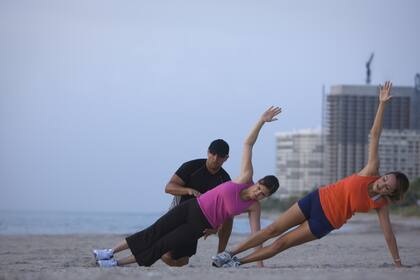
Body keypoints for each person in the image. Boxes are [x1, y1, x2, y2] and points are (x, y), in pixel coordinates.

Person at [212, 81, 410, 268]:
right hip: (316, 199)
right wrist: (382, 104)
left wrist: (397, 261)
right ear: (383, 175)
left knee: (281, 244)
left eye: (387, 187)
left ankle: (238, 262)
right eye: (385, 179)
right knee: (272, 230)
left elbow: (389, 234)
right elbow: (375, 134)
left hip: (326, 221)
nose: (382, 184)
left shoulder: (381, 204)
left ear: (390, 193)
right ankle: (229, 253)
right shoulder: (371, 170)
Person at [93, 106, 282, 268]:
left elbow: (257, 235)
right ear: (257, 182)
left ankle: (116, 264)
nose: (258, 194)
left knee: (163, 245)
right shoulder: (244, 178)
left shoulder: (253, 206)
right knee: (153, 231)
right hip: (191, 207)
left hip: (199, 224)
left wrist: (259, 261)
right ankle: (109, 252)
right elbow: (248, 144)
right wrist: (261, 121)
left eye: (263, 195)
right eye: (259, 188)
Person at [162, 139, 232, 266]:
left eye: (220, 156)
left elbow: (225, 209)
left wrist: (216, 227)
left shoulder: (225, 179)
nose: (215, 159)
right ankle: (155, 245)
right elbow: (169, 188)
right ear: (208, 152)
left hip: (198, 222)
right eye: (213, 154)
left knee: (182, 261)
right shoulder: (191, 167)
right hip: (177, 215)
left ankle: (220, 255)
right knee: (167, 255)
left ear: (226, 158)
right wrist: (188, 190)